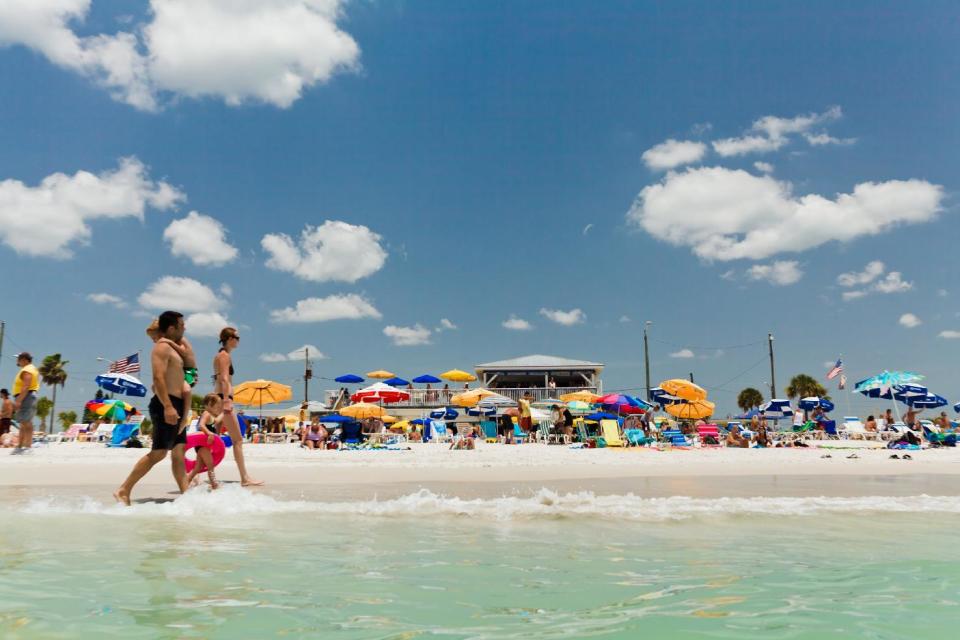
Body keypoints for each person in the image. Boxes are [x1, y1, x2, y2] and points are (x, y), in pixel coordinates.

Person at [115, 311, 189, 505]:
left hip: (178, 404)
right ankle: (124, 489)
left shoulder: (174, 348)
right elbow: (158, 377)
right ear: (172, 328)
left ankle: (189, 497)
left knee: (179, 453)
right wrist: (168, 406)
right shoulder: (161, 348)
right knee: (159, 453)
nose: (185, 328)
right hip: (167, 404)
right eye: (182, 325)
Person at [214, 327, 262, 486]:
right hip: (224, 399)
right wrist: (227, 400)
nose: (239, 340)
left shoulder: (224, 355)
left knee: (217, 439)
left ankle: (201, 475)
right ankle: (245, 478)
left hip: (222, 398)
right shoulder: (224, 356)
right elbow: (224, 380)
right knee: (238, 440)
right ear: (229, 339)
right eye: (237, 337)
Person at [186, 394, 223, 490]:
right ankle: (214, 485)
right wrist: (209, 433)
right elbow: (201, 425)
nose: (219, 407)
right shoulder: (206, 414)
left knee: (198, 467)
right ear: (210, 404)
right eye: (218, 405)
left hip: (205, 445)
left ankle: (186, 482)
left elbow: (217, 420)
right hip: (202, 445)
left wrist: (225, 412)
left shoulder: (211, 415)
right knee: (210, 464)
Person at [10, 352, 40, 454]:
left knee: (26, 422)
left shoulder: (28, 369)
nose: (17, 361)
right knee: (23, 422)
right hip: (26, 396)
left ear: (25, 360)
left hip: (26, 396)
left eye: (19, 359)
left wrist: (18, 400)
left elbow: (26, 385)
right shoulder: (29, 369)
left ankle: (28, 447)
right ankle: (20, 446)